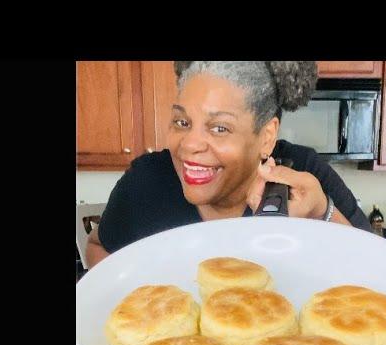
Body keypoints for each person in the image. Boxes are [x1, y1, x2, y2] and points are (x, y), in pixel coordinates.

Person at [85, 61, 371, 268]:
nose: (190, 144)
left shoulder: (303, 174)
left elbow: (378, 272)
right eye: (182, 122)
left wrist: (322, 212)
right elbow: (99, 245)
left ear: (266, 137)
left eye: (219, 128)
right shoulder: (145, 182)